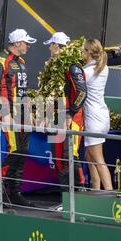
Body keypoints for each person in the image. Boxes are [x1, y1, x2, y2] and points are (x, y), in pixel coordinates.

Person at [0, 29, 36, 207]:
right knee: (14, 150)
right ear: (17, 43)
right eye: (26, 42)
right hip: (9, 114)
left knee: (22, 152)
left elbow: (25, 89)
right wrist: (4, 113)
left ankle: (15, 192)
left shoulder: (21, 61)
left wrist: (30, 111)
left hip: (23, 114)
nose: (28, 45)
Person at [43, 32, 87, 193]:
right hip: (58, 115)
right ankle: (65, 197)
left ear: (57, 46)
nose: (49, 48)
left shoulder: (73, 66)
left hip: (72, 117)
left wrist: (70, 113)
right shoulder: (56, 66)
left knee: (70, 154)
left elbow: (82, 92)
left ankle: (79, 191)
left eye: (51, 45)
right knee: (59, 157)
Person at [83, 39, 113, 191]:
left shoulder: (86, 72)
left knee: (99, 160)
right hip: (102, 116)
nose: (82, 53)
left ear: (89, 52)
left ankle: (109, 195)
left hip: (93, 119)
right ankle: (95, 189)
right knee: (90, 157)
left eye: (83, 50)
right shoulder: (104, 68)